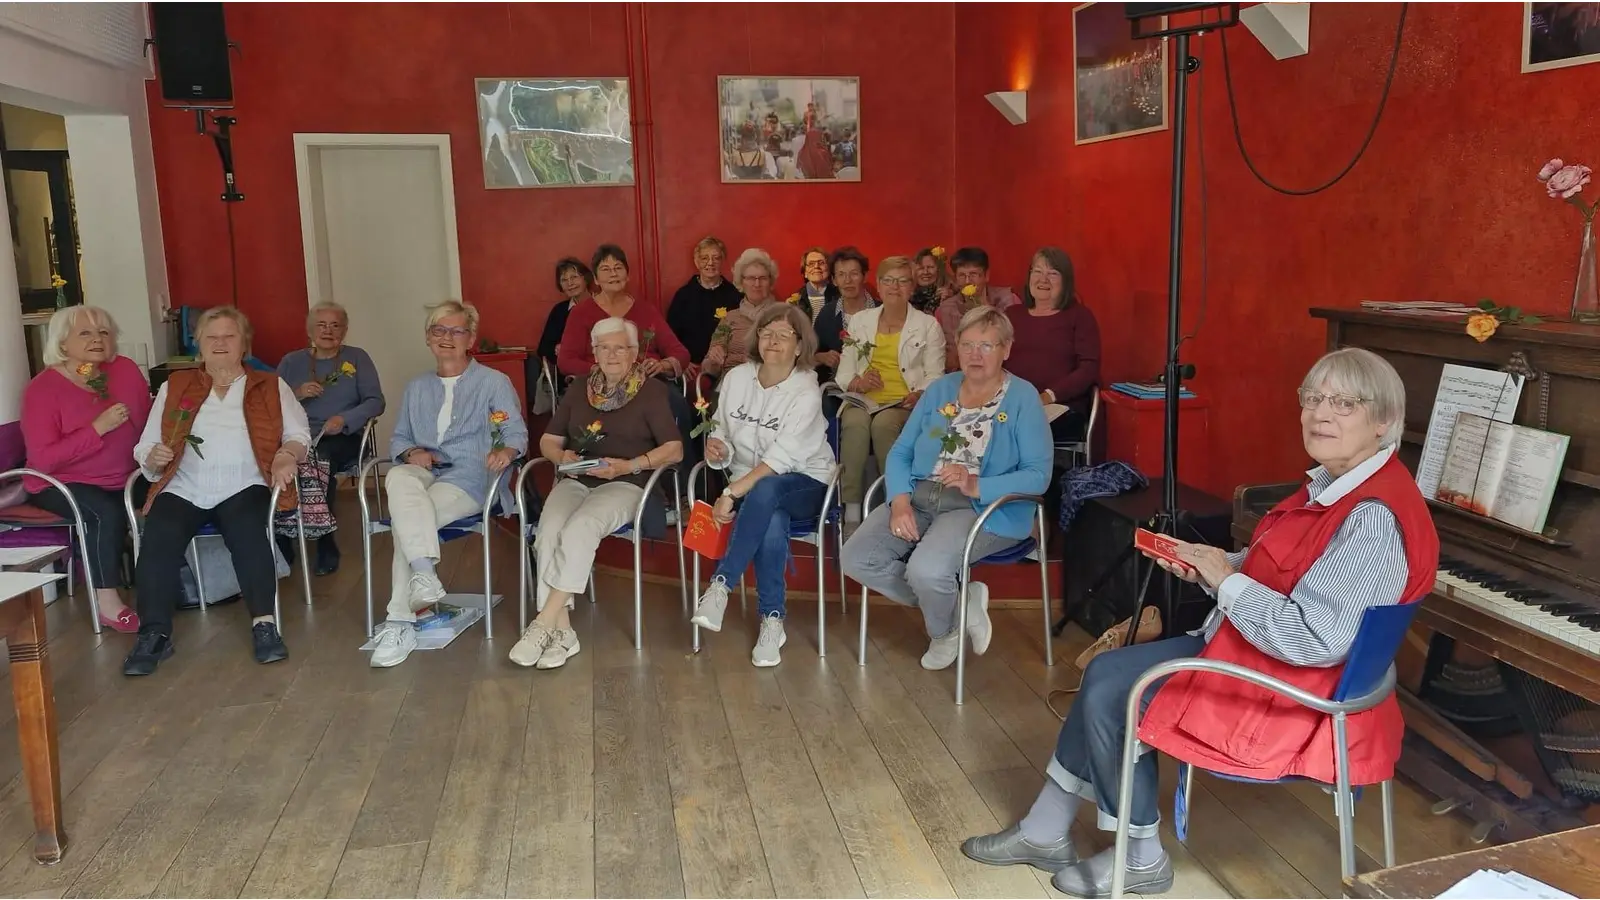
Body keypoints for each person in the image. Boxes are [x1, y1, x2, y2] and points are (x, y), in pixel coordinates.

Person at [959, 347, 1439, 898]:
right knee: (1108, 674)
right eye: (1313, 398)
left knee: (1116, 689)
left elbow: (1316, 639)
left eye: (1344, 403)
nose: (1320, 414)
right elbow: (1291, 573)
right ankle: (1045, 830)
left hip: (1297, 694)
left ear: (1384, 421)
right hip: (1258, 655)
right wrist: (1213, 567)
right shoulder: (1340, 486)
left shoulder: (1371, 518)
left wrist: (1227, 583)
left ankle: (1139, 858)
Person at [841, 306, 1050, 670]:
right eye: (967, 345)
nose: (975, 354)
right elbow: (902, 452)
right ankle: (959, 605)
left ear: (1006, 349)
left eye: (986, 345)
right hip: (919, 497)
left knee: (926, 571)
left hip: (979, 508)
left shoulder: (1023, 398)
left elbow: (1038, 476)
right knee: (856, 558)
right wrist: (900, 502)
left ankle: (943, 632)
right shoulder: (941, 390)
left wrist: (977, 484)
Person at [126, 306, 310, 675]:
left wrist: (286, 455)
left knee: (248, 533)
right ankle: (154, 634)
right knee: (159, 538)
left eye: (229, 336)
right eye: (211, 337)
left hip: (245, 483)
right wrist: (154, 456)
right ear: (199, 344)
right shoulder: (175, 386)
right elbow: (145, 445)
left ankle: (264, 624)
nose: (220, 343)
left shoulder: (271, 385)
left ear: (244, 343)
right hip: (184, 486)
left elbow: (298, 434)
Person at [511, 316, 684, 669]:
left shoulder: (651, 391)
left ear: (634, 352)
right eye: (604, 347)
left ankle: (542, 624)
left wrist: (627, 465)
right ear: (594, 352)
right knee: (548, 532)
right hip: (577, 478)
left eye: (620, 347)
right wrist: (561, 457)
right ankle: (563, 632)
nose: (612, 354)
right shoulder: (579, 388)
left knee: (581, 527)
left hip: (627, 482)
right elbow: (548, 440)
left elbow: (675, 449)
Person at [366, 300, 528, 669]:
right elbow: (399, 439)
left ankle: (400, 621)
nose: (447, 337)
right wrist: (412, 452)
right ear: (428, 337)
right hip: (425, 473)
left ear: (470, 338)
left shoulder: (493, 382)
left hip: (471, 476)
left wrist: (505, 451)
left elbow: (516, 433)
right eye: (439, 330)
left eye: (456, 331)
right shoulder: (417, 387)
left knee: (407, 522)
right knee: (398, 475)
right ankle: (424, 576)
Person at [688, 304, 836, 667]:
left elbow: (781, 460)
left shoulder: (806, 390)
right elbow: (722, 430)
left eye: (784, 335)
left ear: (800, 346)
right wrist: (718, 449)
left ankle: (721, 585)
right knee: (771, 516)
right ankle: (773, 620)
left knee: (767, 490)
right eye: (767, 333)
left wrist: (730, 493)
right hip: (751, 487)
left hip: (807, 482)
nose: (773, 341)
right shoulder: (737, 378)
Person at [20, 305, 153, 632]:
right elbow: (44, 459)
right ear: (62, 343)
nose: (97, 339)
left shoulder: (124, 369)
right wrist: (97, 429)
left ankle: (169, 586)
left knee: (177, 496)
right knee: (105, 513)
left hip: (124, 477)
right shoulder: (43, 389)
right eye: (85, 333)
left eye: (104, 332)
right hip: (61, 482)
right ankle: (107, 602)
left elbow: (148, 423)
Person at [275, 300, 386, 575]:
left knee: (319, 460)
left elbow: (375, 401)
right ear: (309, 329)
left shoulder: (357, 358)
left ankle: (325, 542)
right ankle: (283, 538)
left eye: (335, 325)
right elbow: (270, 403)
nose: (328, 331)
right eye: (321, 325)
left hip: (342, 436)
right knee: (275, 460)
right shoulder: (291, 362)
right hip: (297, 435)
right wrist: (297, 393)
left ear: (344, 330)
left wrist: (345, 419)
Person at [834, 255, 945, 524]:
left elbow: (935, 375)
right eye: (888, 280)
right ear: (878, 285)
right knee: (855, 423)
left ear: (912, 287)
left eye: (902, 281)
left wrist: (919, 394)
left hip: (903, 402)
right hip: (863, 400)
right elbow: (844, 374)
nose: (895, 287)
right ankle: (851, 510)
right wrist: (859, 383)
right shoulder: (860, 321)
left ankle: (894, 503)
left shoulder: (928, 325)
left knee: (884, 425)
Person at [1004, 247, 1100, 443]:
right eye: (1037, 271)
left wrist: (1047, 397)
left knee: (1017, 425)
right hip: (1012, 403)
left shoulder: (1080, 316)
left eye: (1053, 273)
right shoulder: (1011, 315)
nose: (1043, 279)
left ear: (1066, 281)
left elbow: (1089, 368)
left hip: (1060, 406)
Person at [557, 244, 689, 380]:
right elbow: (566, 361)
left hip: (645, 382)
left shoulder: (646, 310)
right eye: (605, 269)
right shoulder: (580, 312)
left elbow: (680, 353)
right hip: (599, 384)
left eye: (618, 268)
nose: (613, 274)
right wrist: (598, 369)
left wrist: (663, 365)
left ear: (627, 275)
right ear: (596, 279)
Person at [701, 247, 780, 377]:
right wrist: (714, 361)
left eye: (763, 278)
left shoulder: (784, 315)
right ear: (741, 282)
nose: (757, 284)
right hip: (732, 381)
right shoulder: (729, 318)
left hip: (771, 380)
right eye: (751, 278)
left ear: (770, 281)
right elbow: (709, 369)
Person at [939, 247, 1020, 370]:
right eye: (962, 275)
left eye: (973, 274)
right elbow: (944, 357)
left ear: (986, 275)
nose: (967, 281)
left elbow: (1017, 344)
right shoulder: (945, 309)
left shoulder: (1009, 299)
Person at [666, 237, 742, 366]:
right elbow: (671, 337)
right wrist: (682, 362)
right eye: (704, 258)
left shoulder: (735, 295)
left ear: (723, 261)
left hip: (725, 366)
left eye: (716, 258)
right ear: (696, 262)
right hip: (690, 367)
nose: (710, 263)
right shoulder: (683, 296)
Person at [812, 246, 877, 386]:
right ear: (834, 280)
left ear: (865, 276)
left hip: (877, 384)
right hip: (835, 387)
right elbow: (809, 354)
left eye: (854, 274)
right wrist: (821, 357)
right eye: (841, 275)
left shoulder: (881, 311)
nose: (848, 280)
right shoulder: (827, 314)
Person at [537, 257, 592, 374]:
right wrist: (556, 348)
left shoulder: (601, 304)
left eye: (574, 277)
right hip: (568, 375)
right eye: (564, 280)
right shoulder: (559, 311)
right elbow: (544, 348)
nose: (570, 283)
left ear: (586, 278)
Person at [910, 246, 951, 313]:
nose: (925, 272)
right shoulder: (907, 296)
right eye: (921, 268)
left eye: (930, 267)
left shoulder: (950, 293)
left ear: (939, 269)